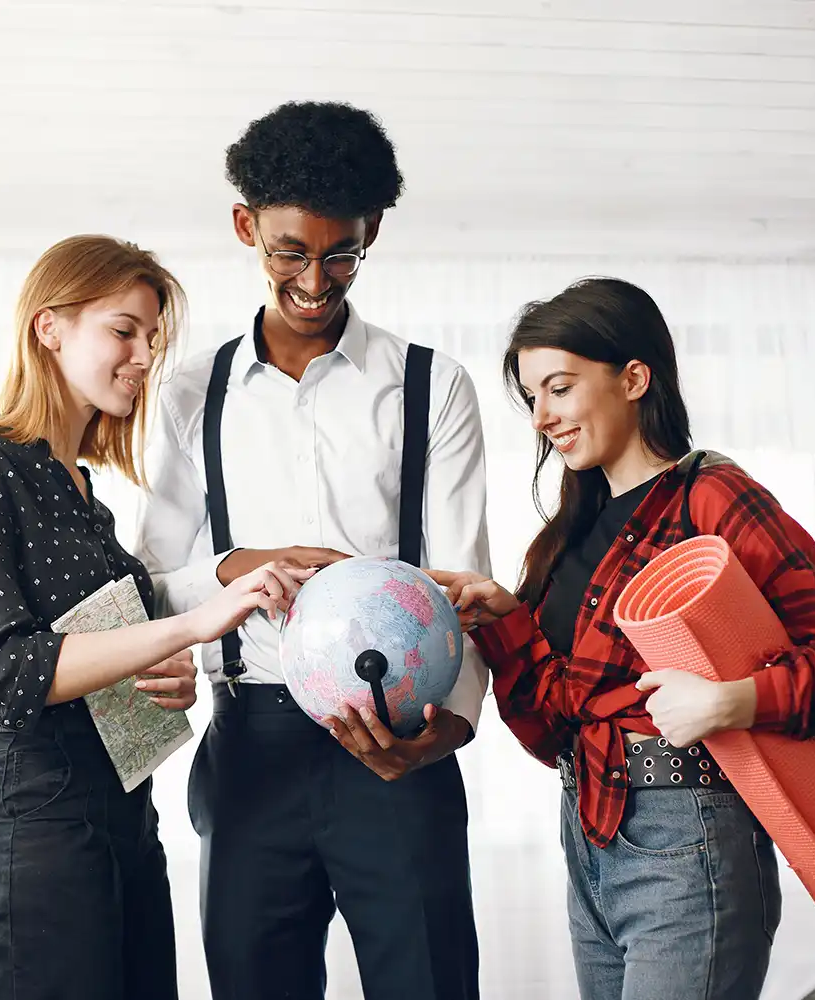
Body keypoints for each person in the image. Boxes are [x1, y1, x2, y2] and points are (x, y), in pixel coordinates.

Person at [431, 277, 815, 1000]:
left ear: (634, 377)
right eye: (531, 398)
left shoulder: (712, 498)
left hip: (691, 835)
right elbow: (556, 732)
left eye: (560, 387)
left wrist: (728, 702)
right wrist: (506, 623)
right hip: (591, 835)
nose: (543, 415)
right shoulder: (564, 539)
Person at [134, 101, 490, 1000]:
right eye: (291, 250)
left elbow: (465, 582)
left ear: (372, 231)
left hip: (399, 741)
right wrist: (234, 564)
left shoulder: (432, 386)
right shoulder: (188, 394)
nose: (316, 278)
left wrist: (450, 726)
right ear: (246, 226)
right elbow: (148, 590)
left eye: (341, 252)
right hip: (249, 746)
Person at [0, 234, 307, 1000]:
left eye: (151, 339)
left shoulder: (86, 496)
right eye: (122, 330)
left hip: (124, 814)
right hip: (30, 818)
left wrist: (158, 679)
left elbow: (94, 653)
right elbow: (5, 672)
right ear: (49, 327)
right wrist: (195, 627)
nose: (142, 355)